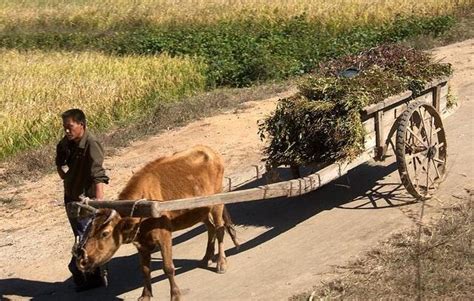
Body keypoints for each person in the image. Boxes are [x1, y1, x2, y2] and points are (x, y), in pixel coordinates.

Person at [55, 108, 109, 291]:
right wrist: (62, 169)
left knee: (85, 237)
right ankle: (93, 274)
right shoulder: (66, 143)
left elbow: (98, 175)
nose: (66, 131)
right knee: (81, 235)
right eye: (64, 127)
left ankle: (82, 270)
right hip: (70, 198)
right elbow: (61, 164)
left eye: (70, 127)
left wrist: (98, 204)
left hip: (86, 201)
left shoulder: (92, 144)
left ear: (82, 125)